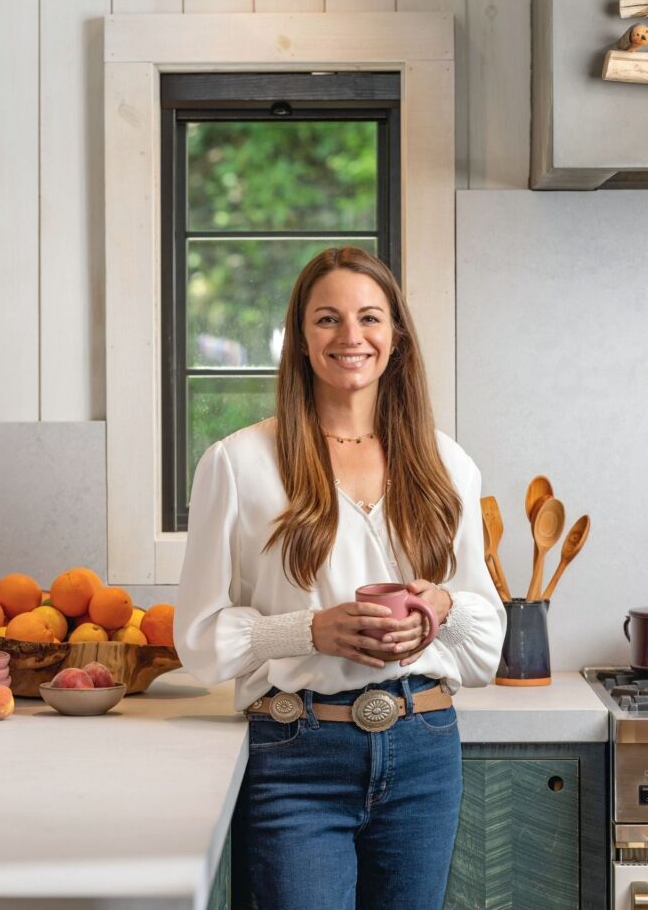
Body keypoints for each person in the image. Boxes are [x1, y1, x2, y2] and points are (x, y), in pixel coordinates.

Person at [175, 247, 504, 909]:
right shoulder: (237, 463)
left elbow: (486, 630)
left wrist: (441, 605)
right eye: (327, 319)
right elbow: (200, 638)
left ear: (397, 336)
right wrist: (310, 629)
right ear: (299, 339)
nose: (351, 336)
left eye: (369, 317)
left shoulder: (448, 463)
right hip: (295, 756)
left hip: (426, 748)